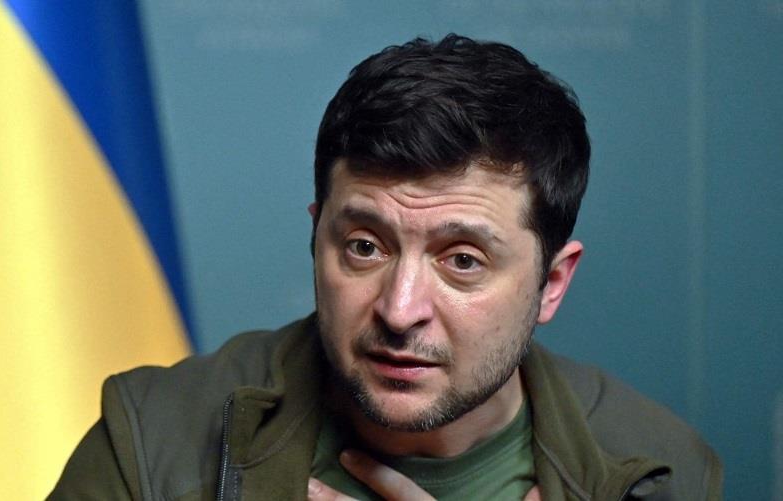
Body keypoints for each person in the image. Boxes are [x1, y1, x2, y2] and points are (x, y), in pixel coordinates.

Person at [50, 34, 722, 500]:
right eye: (365, 246)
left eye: (462, 260)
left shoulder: (662, 470)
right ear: (317, 237)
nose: (400, 311)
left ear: (551, 283)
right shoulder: (152, 440)